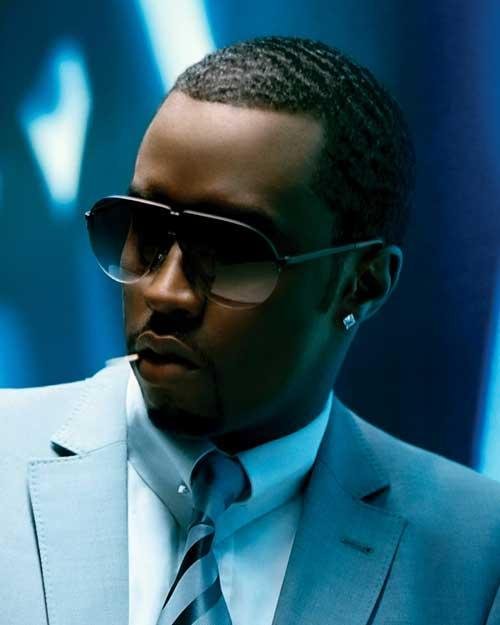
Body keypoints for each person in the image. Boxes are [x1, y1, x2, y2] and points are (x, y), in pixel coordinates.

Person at [1, 35, 499, 625]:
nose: (164, 292)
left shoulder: (477, 555)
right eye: (145, 230)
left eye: (233, 252)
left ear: (362, 284)